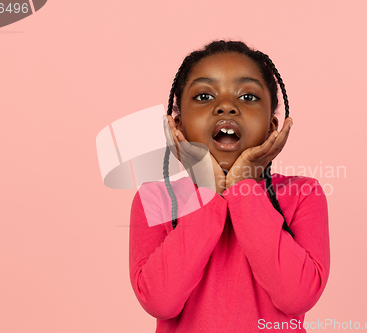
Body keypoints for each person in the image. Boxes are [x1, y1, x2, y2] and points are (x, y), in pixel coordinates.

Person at [129, 40, 330, 332]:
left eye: (248, 96)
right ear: (178, 125)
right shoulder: (155, 199)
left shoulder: (304, 194)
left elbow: (296, 296)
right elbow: (160, 302)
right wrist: (208, 192)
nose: (226, 106)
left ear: (272, 127)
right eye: (203, 96)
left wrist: (243, 188)